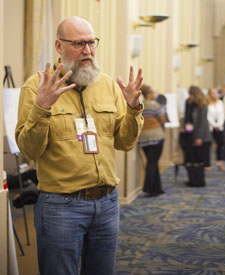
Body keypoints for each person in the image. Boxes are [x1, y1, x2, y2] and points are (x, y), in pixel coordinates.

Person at [15, 16, 144, 275]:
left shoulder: (108, 85)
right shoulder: (36, 86)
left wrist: (132, 110)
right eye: (78, 44)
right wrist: (42, 108)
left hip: (107, 203)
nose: (87, 51)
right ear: (59, 46)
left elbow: (125, 143)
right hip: (61, 207)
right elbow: (30, 150)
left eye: (91, 43)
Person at [138, 85, 166, 197]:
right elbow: (163, 120)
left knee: (152, 162)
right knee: (152, 163)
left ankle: (157, 188)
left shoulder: (140, 105)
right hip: (156, 137)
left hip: (143, 138)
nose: (155, 94)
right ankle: (149, 189)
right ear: (149, 94)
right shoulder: (155, 105)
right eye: (153, 92)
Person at [207, 88, 225, 171]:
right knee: (208, 145)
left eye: (216, 93)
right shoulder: (207, 104)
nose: (215, 95)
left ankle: (219, 162)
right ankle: (207, 164)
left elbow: (222, 114)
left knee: (220, 144)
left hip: (219, 127)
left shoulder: (220, 103)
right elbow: (207, 116)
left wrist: (219, 124)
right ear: (210, 94)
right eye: (213, 93)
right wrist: (214, 125)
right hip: (211, 127)